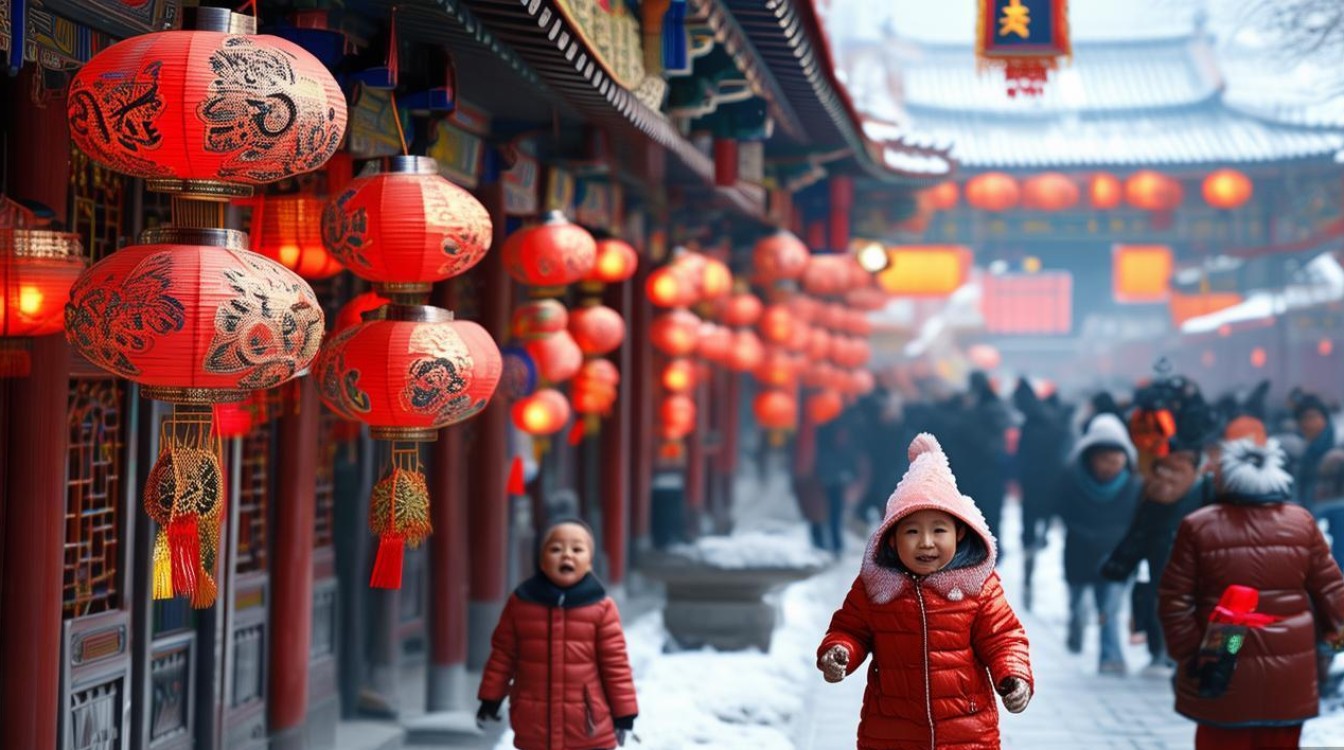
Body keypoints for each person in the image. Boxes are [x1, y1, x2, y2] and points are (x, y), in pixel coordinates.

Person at [816, 434, 1033, 750]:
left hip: (967, 733)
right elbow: (850, 630)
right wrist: (840, 653)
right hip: (892, 731)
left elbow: (1004, 637)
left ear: (959, 532)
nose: (926, 542)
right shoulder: (877, 587)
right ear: (891, 539)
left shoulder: (978, 586)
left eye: (939, 530)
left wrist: (1013, 676)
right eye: (913, 531)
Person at [1159, 434, 1344, 750]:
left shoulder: (1198, 526)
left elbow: (1174, 600)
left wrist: (1192, 654)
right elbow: (1334, 595)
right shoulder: (1302, 523)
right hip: (1291, 676)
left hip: (1222, 663)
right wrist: (1331, 643)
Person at [477, 520, 638, 749]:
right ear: (542, 561)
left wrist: (625, 713)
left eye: (577, 549)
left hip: (588, 727)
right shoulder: (521, 604)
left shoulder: (602, 607)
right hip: (534, 725)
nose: (566, 556)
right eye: (556, 549)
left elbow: (616, 664)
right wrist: (490, 698)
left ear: (589, 563)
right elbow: (503, 656)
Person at [1102, 374, 1220, 674]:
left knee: (1161, 598)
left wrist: (1119, 564)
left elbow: (1140, 531)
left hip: (1162, 553)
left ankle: (1162, 651)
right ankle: (1179, 652)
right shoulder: (1209, 486)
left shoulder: (1156, 485)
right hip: (1197, 562)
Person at [1055, 414, 1141, 674]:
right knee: (1078, 601)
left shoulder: (1135, 486)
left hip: (1115, 554)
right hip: (1080, 550)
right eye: (1105, 459)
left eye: (1116, 459)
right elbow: (1061, 509)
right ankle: (1076, 623)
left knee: (1110, 609)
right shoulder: (1070, 479)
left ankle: (1110, 656)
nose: (1110, 465)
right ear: (1091, 456)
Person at [1292, 392, 1336, 507]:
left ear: (1324, 419)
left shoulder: (1336, 455)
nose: (1309, 423)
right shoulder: (1297, 453)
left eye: (1313, 417)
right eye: (1304, 418)